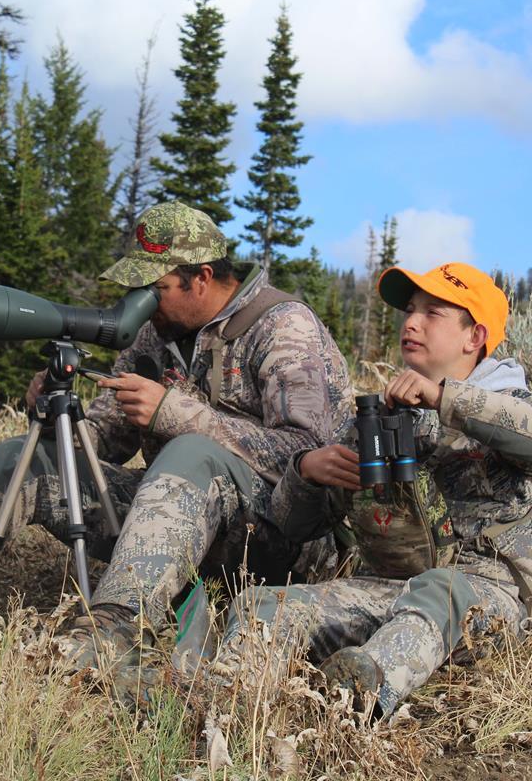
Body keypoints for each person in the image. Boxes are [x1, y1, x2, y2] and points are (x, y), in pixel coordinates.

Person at [0, 201, 352, 666]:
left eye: (154, 288)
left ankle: (116, 628)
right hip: (167, 522)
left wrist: (176, 415)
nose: (141, 304)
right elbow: (105, 440)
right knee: (27, 461)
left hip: (269, 541)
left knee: (189, 449)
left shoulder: (283, 327)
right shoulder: (155, 336)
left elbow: (307, 457)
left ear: (201, 278)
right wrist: (57, 411)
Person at [217, 261, 532, 718]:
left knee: (441, 590)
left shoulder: (510, 404)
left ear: (475, 336)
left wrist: (444, 397)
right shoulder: (380, 421)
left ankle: (354, 701)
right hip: (384, 589)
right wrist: (305, 474)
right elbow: (294, 526)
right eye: (409, 310)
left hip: (482, 601)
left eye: (432, 313)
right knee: (260, 608)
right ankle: (221, 704)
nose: (411, 322)